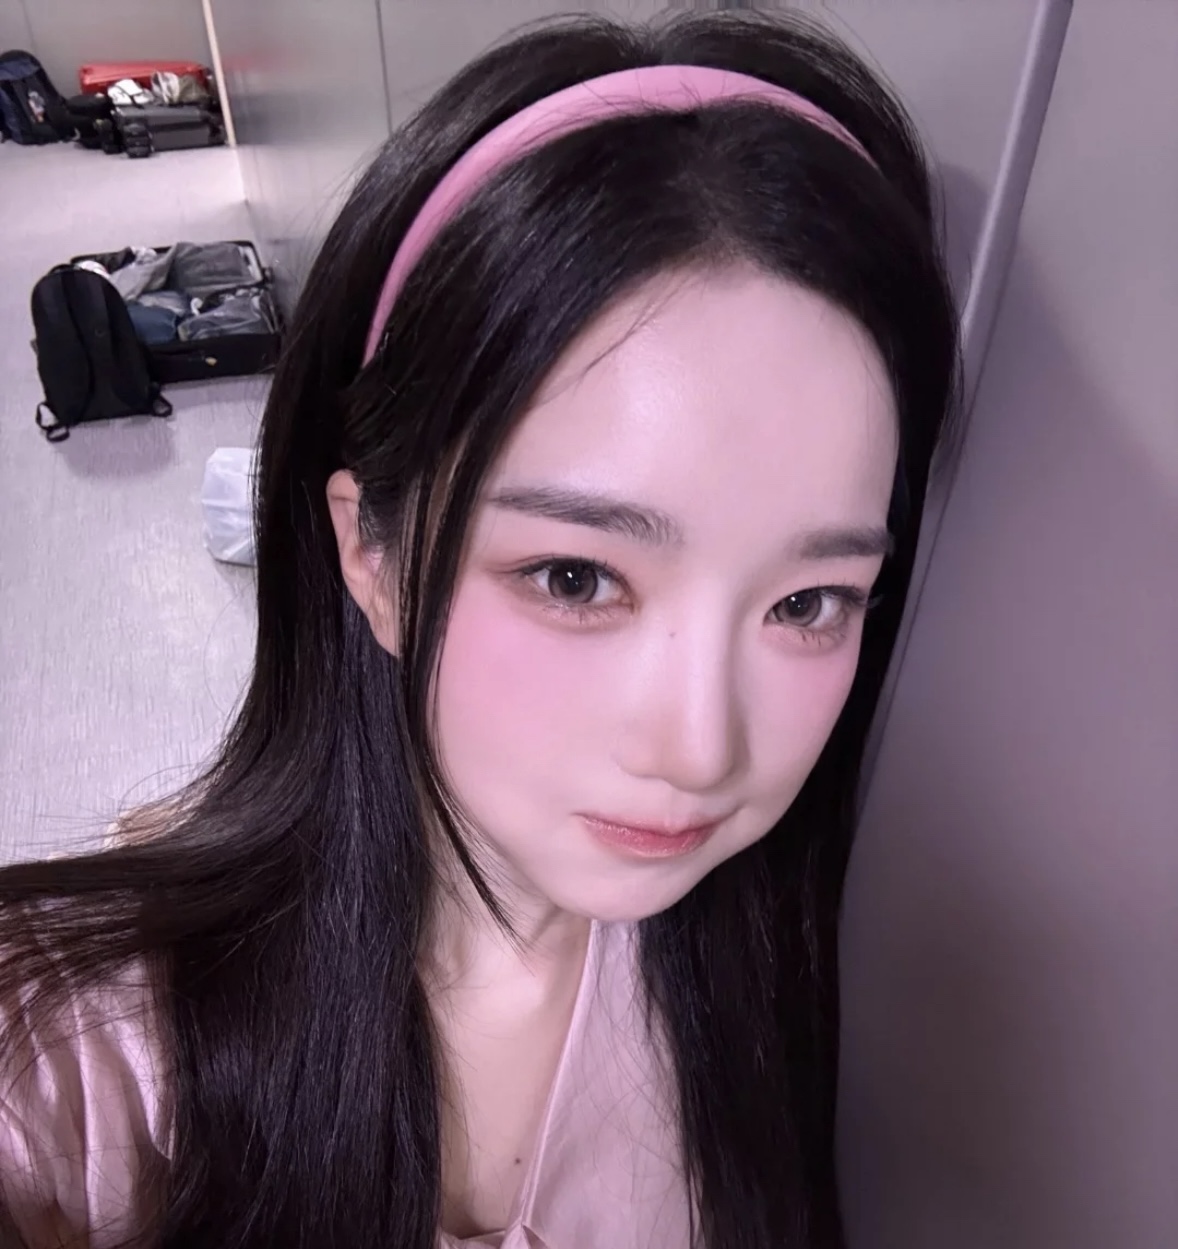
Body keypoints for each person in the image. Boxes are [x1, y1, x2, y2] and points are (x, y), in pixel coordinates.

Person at [0, 10, 959, 1249]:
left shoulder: (794, 969)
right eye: (574, 577)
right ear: (373, 555)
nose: (699, 748)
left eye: (804, 602)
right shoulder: (69, 1056)